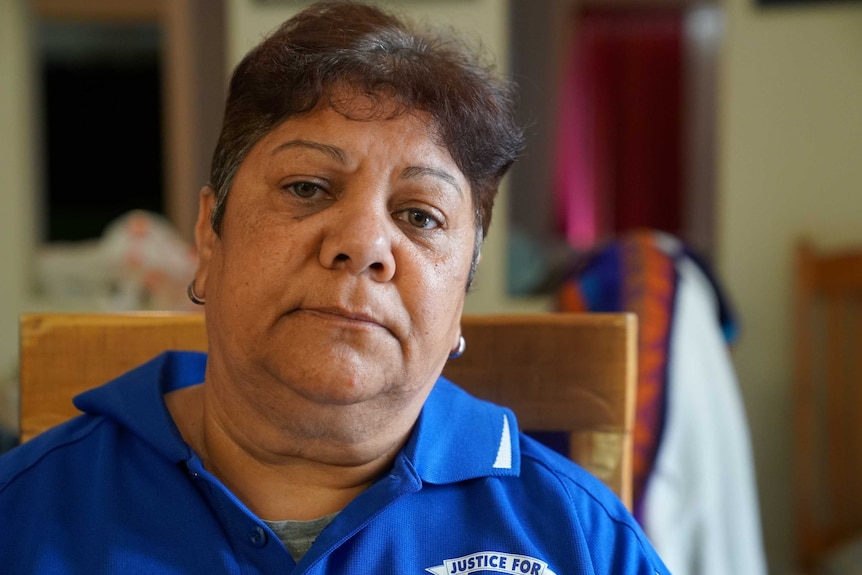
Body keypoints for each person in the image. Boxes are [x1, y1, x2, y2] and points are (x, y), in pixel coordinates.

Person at [0, 2, 670, 573]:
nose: (363, 244)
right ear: (210, 236)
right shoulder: (24, 514)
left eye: (419, 216)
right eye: (307, 187)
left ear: (461, 289)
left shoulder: (584, 541)